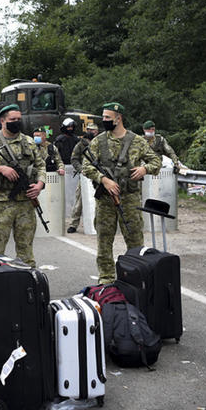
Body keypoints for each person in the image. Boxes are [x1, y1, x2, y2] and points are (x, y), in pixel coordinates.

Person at [82, 104, 162, 284]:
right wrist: (103, 179)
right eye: (103, 118)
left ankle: (135, 277)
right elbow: (85, 166)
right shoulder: (98, 141)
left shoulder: (136, 141)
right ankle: (106, 279)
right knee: (104, 241)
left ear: (119, 118)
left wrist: (144, 168)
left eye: (108, 118)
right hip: (105, 200)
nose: (104, 121)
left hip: (129, 198)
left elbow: (156, 161)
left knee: (134, 239)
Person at [0, 104, 46, 267]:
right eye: (13, 119)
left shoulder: (28, 142)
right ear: (3, 121)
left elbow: (40, 165)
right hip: (0, 204)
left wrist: (40, 184)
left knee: (26, 251)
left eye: (19, 119)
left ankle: (27, 284)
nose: (17, 122)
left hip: (25, 204)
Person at [67, 120, 98, 233]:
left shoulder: (100, 142)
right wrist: (81, 170)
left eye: (93, 130)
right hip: (85, 176)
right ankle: (74, 224)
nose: (91, 132)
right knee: (79, 201)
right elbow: (74, 159)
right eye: (89, 130)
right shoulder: (80, 144)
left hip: (99, 175)